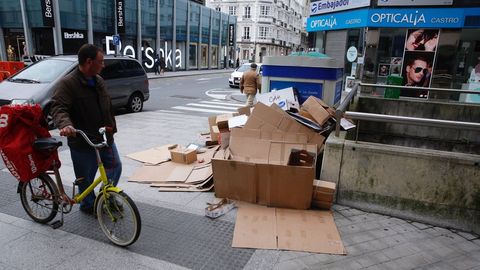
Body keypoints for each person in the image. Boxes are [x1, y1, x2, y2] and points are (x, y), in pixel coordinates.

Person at [51, 44, 121, 215]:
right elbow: (58, 108)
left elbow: (106, 105)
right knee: (86, 178)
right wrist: (66, 125)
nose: (103, 65)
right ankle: (88, 205)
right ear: (89, 62)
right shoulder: (68, 84)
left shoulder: (99, 81)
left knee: (115, 166)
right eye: (101, 62)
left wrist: (111, 126)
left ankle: (107, 196)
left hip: (104, 137)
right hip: (83, 141)